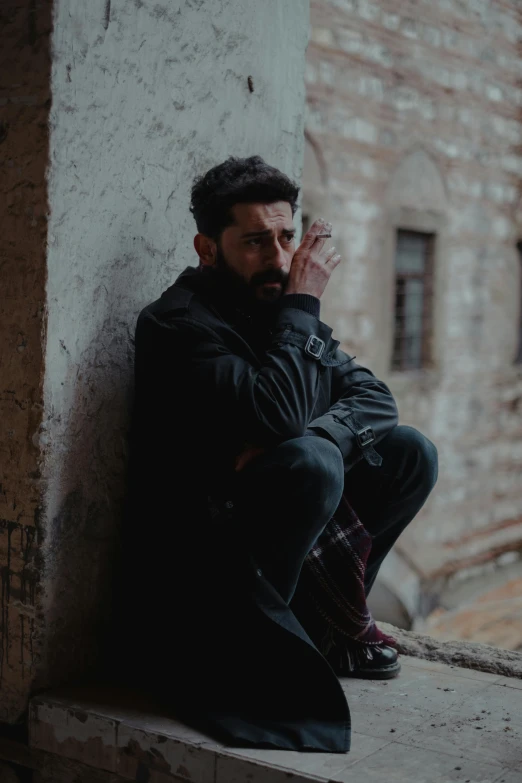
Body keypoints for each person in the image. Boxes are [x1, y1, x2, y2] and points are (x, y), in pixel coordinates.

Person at [129, 156, 438, 753]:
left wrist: (316, 434)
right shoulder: (176, 325)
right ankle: (262, 652)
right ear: (207, 247)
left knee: (408, 453)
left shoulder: (278, 313)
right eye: (254, 241)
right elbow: (277, 413)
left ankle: (325, 626)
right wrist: (303, 313)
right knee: (312, 464)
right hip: (203, 565)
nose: (277, 258)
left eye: (286, 236)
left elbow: (375, 398)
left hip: (274, 541)